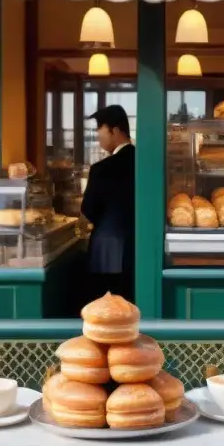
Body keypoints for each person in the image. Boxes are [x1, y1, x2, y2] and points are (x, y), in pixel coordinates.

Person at [81, 105, 135, 304]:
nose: (98, 135)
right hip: (139, 251)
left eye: (99, 129)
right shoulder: (144, 162)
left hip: (107, 253)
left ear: (115, 130)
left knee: (104, 310)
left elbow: (88, 209)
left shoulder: (101, 169)